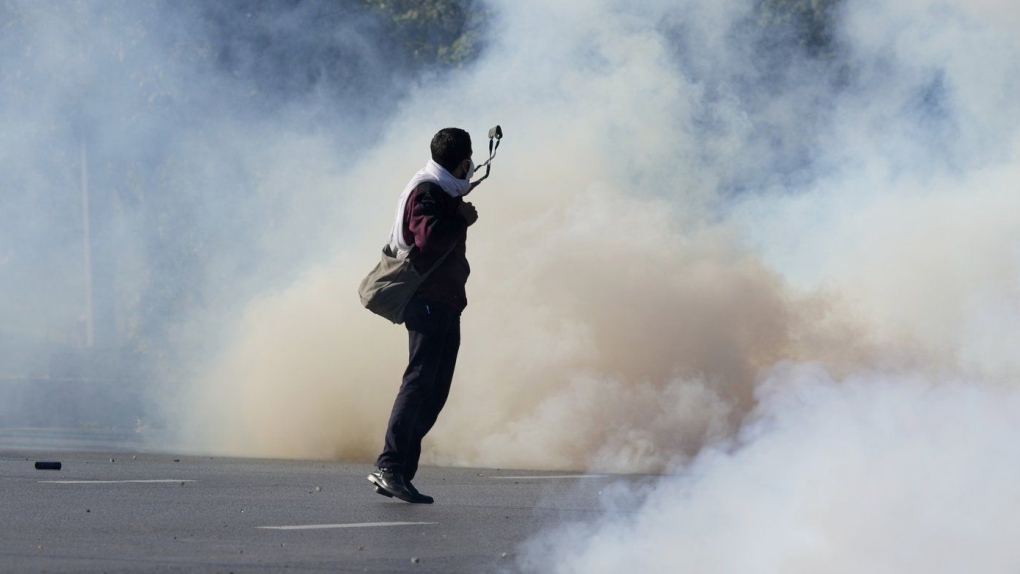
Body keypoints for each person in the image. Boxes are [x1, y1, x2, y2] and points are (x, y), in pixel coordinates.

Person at [368, 127, 479, 504]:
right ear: (463, 162)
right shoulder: (428, 190)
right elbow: (428, 239)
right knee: (419, 383)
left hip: (443, 299)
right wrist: (462, 217)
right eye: (470, 162)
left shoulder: (439, 187)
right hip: (427, 299)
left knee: (434, 389)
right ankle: (390, 467)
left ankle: (400, 472)